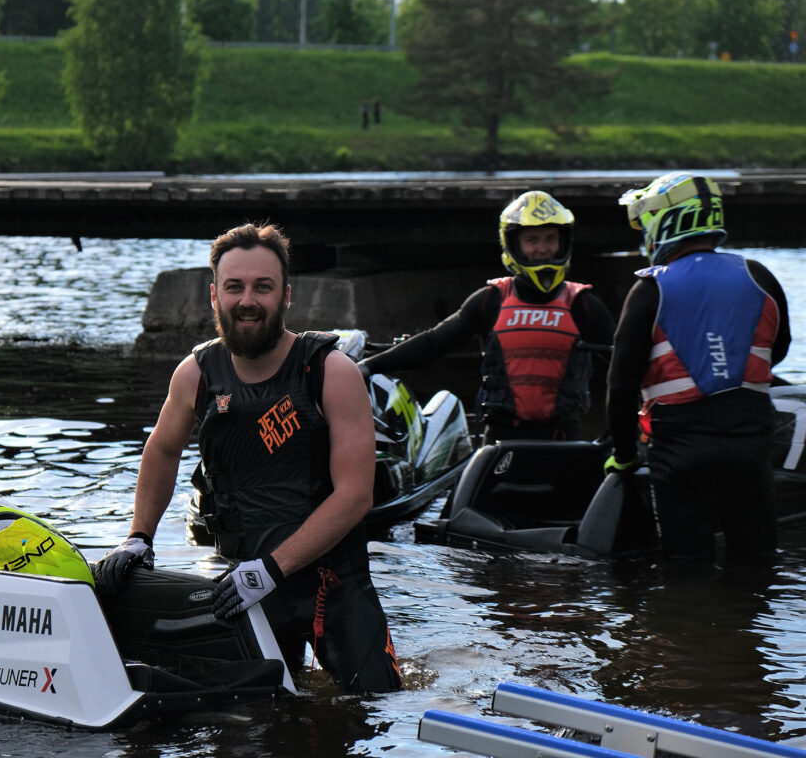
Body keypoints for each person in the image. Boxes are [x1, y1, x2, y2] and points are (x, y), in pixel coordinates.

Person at [95, 222, 403, 693]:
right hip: (243, 590)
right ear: (214, 296)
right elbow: (161, 449)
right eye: (234, 287)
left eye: (263, 286)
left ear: (286, 296)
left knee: (375, 711)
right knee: (245, 729)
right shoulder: (196, 373)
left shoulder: (329, 371)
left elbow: (356, 496)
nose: (247, 301)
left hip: (333, 588)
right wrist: (139, 536)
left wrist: (272, 570)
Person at [606, 172, 791, 562]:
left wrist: (623, 455)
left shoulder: (650, 288)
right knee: (755, 569)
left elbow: (620, 386)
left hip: (681, 454)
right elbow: (779, 350)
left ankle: (686, 620)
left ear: (664, 222)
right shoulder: (758, 274)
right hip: (751, 448)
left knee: (686, 575)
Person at [358, 190, 616, 443]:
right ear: (514, 244)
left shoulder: (582, 305)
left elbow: (624, 363)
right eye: (532, 240)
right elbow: (433, 343)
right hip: (502, 441)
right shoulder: (491, 300)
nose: (543, 248)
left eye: (550, 239)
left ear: (563, 243)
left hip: (565, 441)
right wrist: (368, 366)